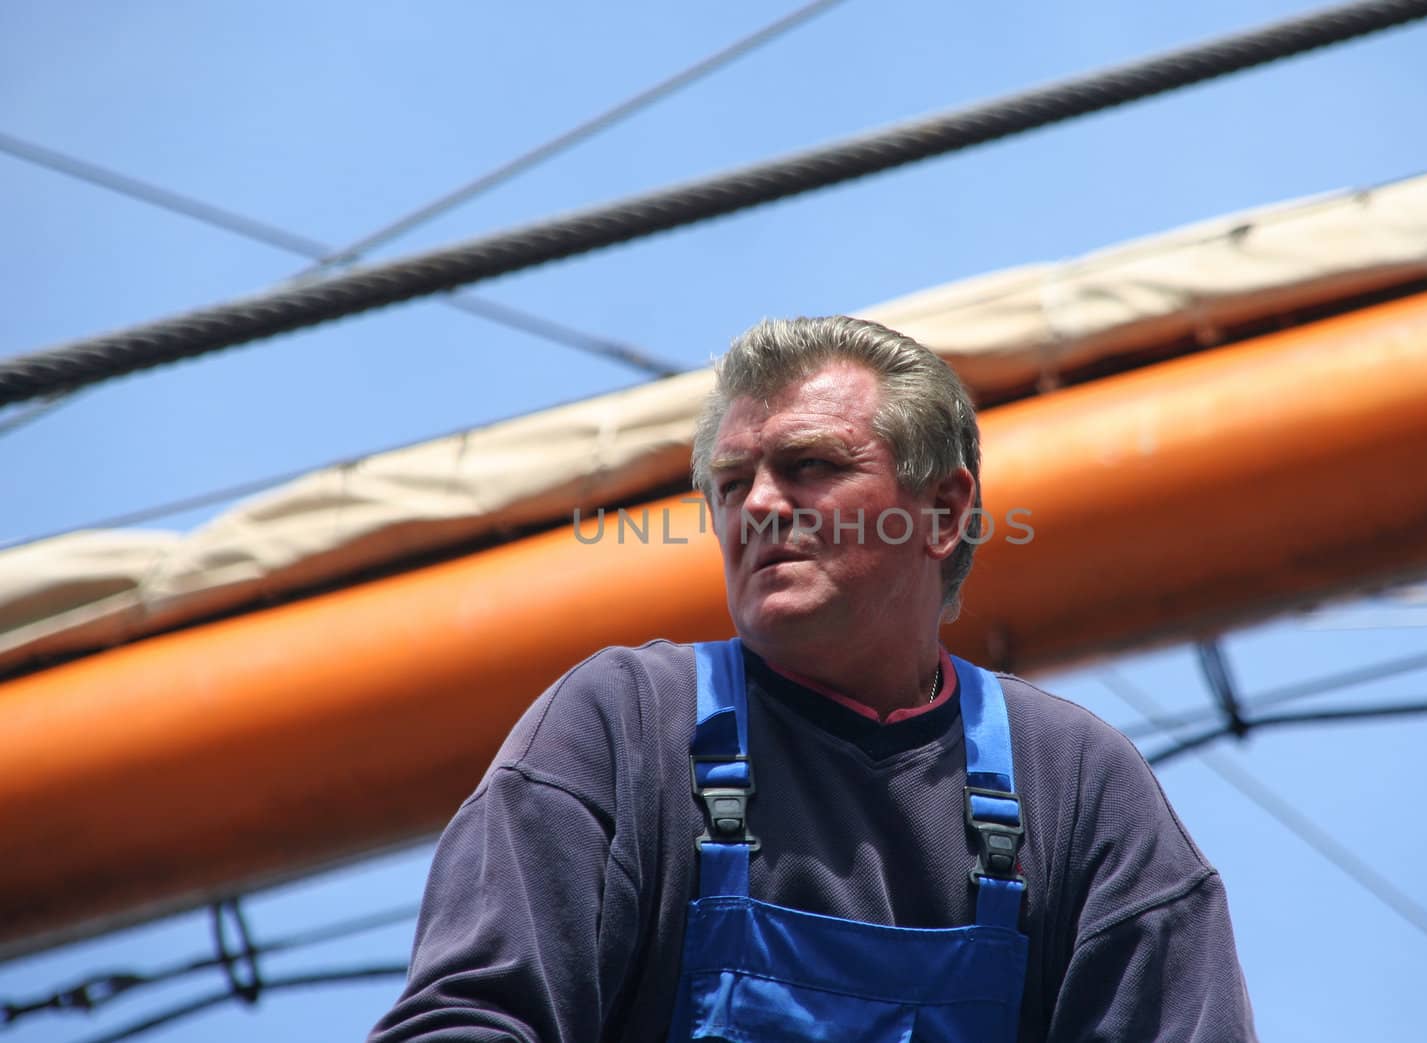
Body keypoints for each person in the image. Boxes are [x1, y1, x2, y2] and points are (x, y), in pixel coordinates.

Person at [369, 316, 1257, 1042]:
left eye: (810, 467)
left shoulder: (1071, 784)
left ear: (943, 512)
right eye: (732, 482)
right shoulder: (627, 728)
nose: (757, 505)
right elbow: (466, 1024)